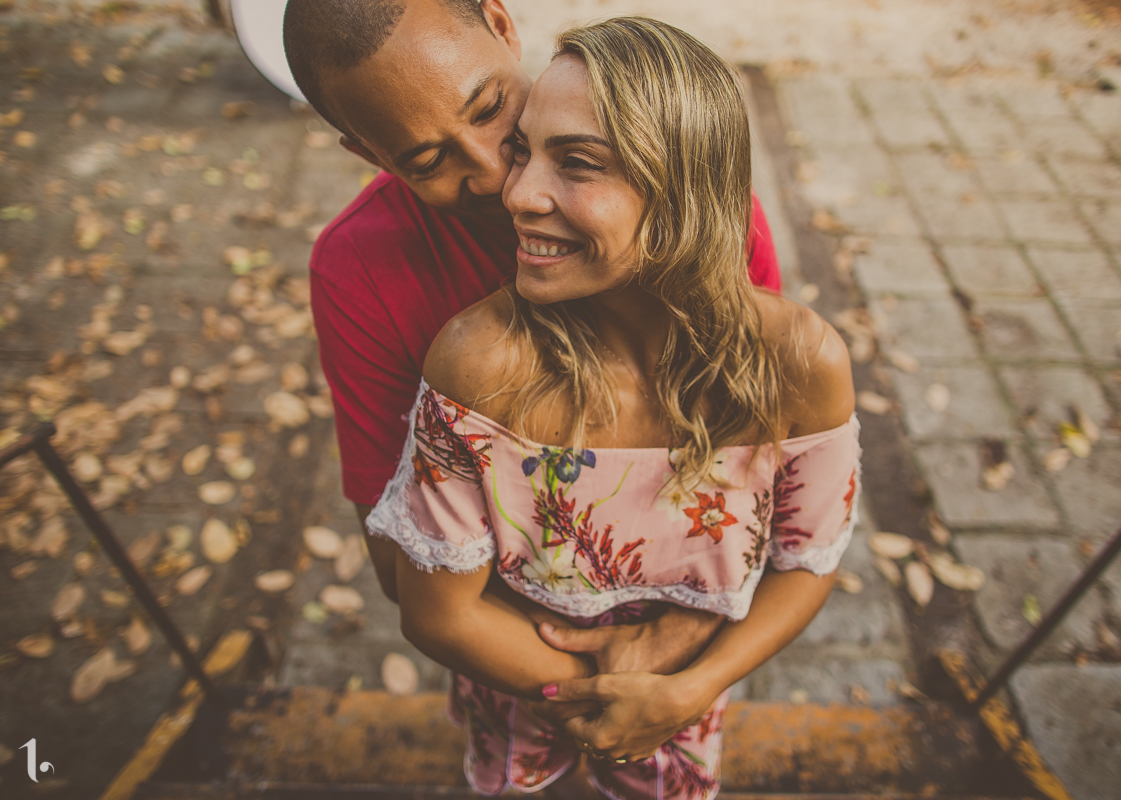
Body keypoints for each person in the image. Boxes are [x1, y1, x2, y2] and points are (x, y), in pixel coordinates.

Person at [365, 17, 858, 799]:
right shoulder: (481, 366)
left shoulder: (799, 364)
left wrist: (687, 691)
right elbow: (438, 615)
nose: (517, 193)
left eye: (577, 164)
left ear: (682, 185)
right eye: (525, 150)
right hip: (514, 682)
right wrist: (610, 696)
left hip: (687, 694)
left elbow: (807, 562)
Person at [282, 0, 784, 677]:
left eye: (490, 108)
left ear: (502, 24)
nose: (498, 179)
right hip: (520, 653)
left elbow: (762, 463)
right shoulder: (360, 271)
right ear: (370, 154)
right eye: (428, 160)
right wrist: (588, 690)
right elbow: (406, 569)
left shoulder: (683, 202)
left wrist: (674, 660)